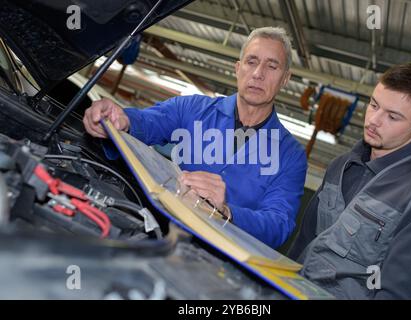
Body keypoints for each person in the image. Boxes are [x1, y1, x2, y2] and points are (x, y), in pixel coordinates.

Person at [83, 27, 307, 249]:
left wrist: (227, 211)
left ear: (285, 79)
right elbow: (148, 121)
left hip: (218, 261)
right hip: (157, 233)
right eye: (251, 61)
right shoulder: (192, 108)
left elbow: (279, 223)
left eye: (272, 66)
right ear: (238, 69)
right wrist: (121, 121)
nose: (258, 73)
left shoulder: (291, 156)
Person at [289, 63, 411, 299]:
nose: (374, 120)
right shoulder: (341, 166)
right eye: (374, 105)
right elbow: (303, 244)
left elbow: (398, 292)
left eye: (393, 117)